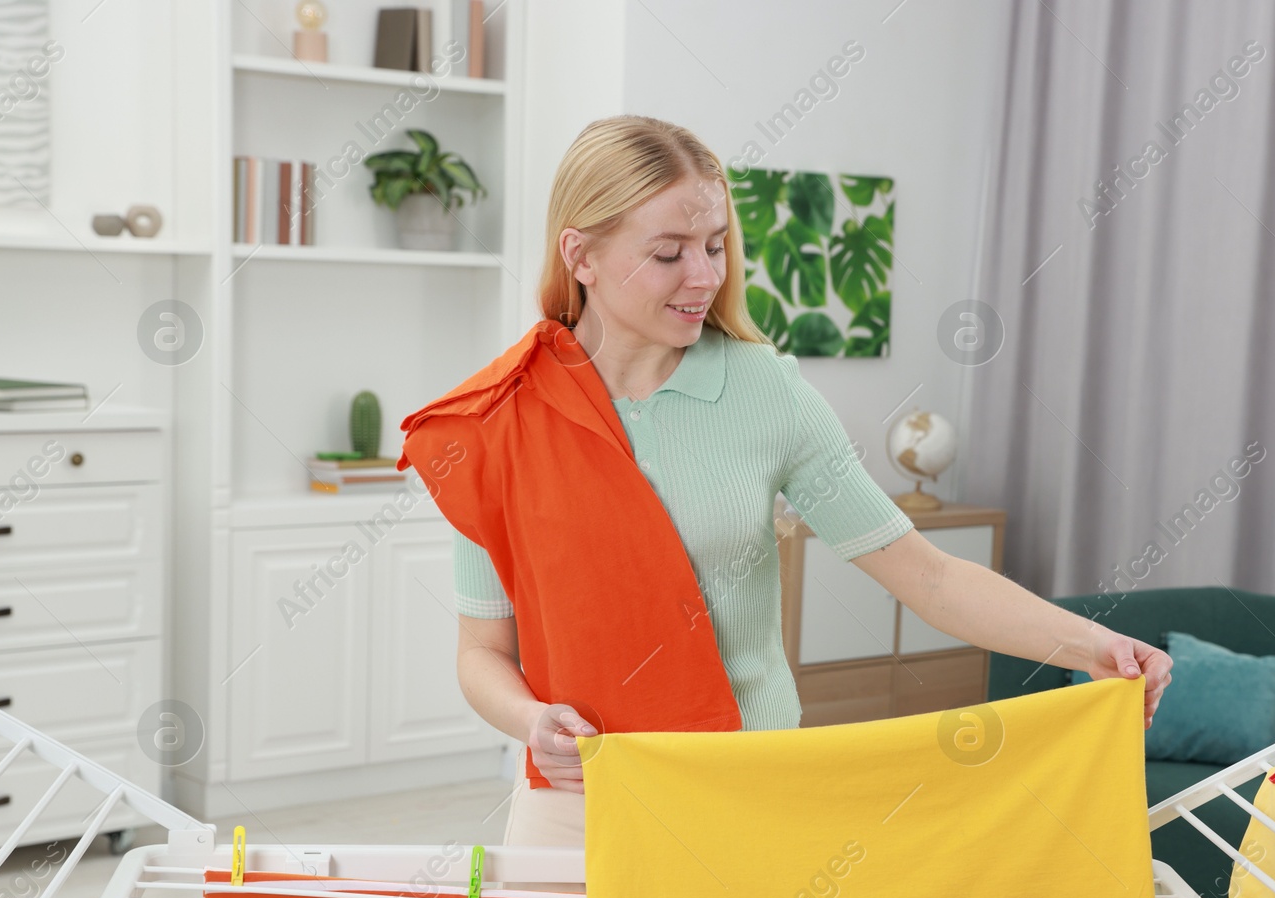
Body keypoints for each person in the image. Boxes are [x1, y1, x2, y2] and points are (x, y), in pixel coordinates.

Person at [399, 115, 1172, 852]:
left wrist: (1096, 644)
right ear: (581, 255)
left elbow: (928, 578)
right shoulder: (495, 422)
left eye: (716, 244)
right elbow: (481, 654)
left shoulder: (765, 392)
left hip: (747, 782)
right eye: (669, 252)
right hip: (573, 802)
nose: (704, 275)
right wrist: (530, 718)